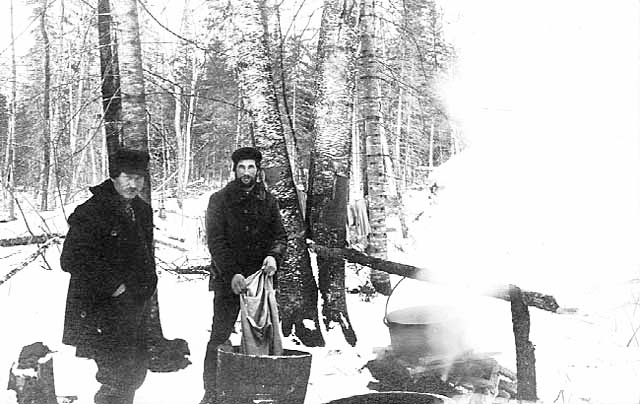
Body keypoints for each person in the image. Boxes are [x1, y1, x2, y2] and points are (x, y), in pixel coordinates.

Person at [60, 149, 157, 404]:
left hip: (134, 308)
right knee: (115, 376)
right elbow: (70, 260)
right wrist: (114, 286)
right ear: (114, 176)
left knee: (135, 372)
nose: (133, 184)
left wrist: (145, 287)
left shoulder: (142, 210)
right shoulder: (91, 212)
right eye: (127, 177)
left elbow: (144, 255)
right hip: (101, 308)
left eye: (139, 178)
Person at [201, 146, 287, 403]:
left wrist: (274, 256)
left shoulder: (268, 200)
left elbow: (280, 236)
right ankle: (213, 393)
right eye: (241, 167)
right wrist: (232, 274)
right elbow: (215, 241)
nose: (246, 172)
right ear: (234, 169)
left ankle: (256, 391)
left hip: (261, 283)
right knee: (220, 335)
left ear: (257, 170)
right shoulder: (220, 200)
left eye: (251, 167)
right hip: (229, 281)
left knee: (263, 336)